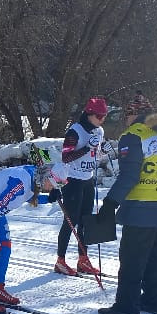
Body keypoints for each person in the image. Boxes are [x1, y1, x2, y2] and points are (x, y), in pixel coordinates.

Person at [97, 93, 157, 314]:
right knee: (155, 257)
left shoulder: (134, 136)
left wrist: (110, 202)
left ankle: (126, 306)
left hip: (139, 208)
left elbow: (129, 176)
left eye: (127, 115)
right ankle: (154, 301)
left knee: (132, 259)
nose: (126, 120)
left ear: (132, 114)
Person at [0, 149, 68, 314]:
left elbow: (28, 197)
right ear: (47, 177)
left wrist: (48, 199)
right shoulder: (20, 182)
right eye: (53, 184)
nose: (52, 188)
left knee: (5, 247)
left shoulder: (35, 178)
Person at [53, 96, 108, 277]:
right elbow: (65, 157)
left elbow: (96, 155)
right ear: (89, 114)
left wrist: (101, 150)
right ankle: (60, 260)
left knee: (86, 220)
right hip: (73, 180)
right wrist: (86, 148)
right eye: (99, 116)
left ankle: (83, 259)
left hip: (88, 179)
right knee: (71, 220)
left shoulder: (99, 131)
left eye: (104, 116)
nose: (102, 120)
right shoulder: (75, 131)